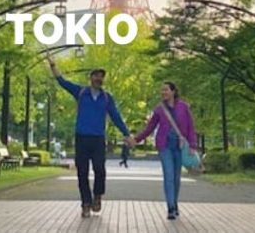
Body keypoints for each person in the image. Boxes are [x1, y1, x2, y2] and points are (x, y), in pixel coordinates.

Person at [48, 56, 132, 218]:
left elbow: (116, 117)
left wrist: (127, 134)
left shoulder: (107, 98)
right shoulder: (80, 92)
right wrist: (53, 66)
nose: (99, 79)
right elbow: (62, 81)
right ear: (91, 78)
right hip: (81, 138)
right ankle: (85, 203)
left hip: (98, 139)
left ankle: (97, 195)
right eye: (96, 75)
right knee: (82, 172)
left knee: (100, 169)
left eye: (101, 76)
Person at [127, 82, 197, 220]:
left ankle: (175, 203)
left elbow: (191, 127)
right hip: (164, 145)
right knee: (168, 176)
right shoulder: (159, 109)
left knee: (176, 178)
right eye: (162, 90)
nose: (163, 92)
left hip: (180, 146)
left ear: (173, 91)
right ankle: (170, 208)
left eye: (166, 90)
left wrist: (193, 145)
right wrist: (136, 139)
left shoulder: (184, 107)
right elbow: (150, 128)